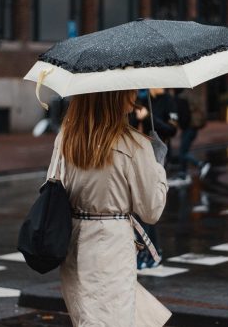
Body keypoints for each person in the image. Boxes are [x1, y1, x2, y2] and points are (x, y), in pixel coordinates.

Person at [48, 89, 171, 326]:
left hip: (73, 242)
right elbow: (151, 211)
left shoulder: (67, 136)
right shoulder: (134, 144)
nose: (135, 95)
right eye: (130, 90)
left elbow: (53, 186)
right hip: (112, 246)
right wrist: (157, 165)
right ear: (114, 96)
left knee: (89, 316)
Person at [129, 88, 178, 269]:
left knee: (147, 207)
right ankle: (150, 251)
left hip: (157, 158)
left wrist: (149, 117)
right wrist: (137, 116)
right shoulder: (141, 99)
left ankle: (150, 252)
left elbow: (171, 130)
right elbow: (131, 125)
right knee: (140, 208)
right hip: (138, 156)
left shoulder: (168, 101)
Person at [175, 88, 211, 181]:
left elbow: (184, 115)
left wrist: (181, 125)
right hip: (194, 127)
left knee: (183, 152)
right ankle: (182, 173)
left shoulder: (182, 97)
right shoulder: (194, 94)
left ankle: (201, 164)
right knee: (184, 150)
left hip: (188, 127)